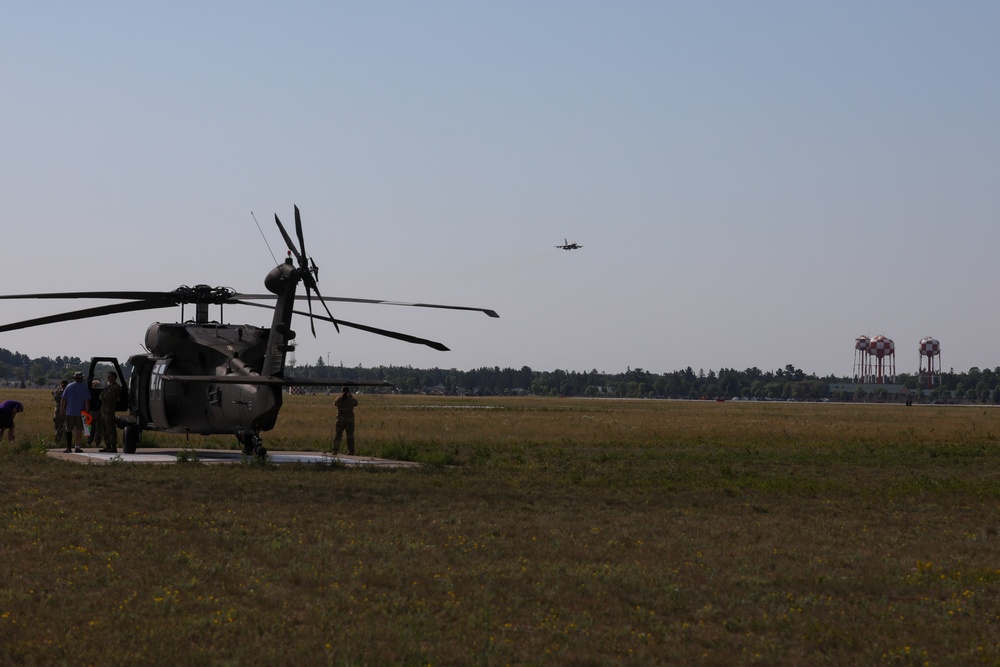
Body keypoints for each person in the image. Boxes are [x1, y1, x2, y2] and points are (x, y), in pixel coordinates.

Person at [60, 371, 91, 453]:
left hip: (69, 412)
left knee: (69, 430)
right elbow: (86, 401)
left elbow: (63, 400)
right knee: (79, 430)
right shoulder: (84, 388)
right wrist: (87, 411)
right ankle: (77, 447)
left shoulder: (69, 387)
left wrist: (62, 410)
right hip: (81, 412)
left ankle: (69, 447)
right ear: (81, 378)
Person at [98, 371, 122, 453]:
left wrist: (104, 396)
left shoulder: (116, 387)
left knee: (110, 429)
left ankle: (113, 446)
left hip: (109, 411)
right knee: (104, 429)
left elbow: (108, 396)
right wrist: (104, 396)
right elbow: (101, 396)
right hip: (104, 411)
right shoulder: (108, 387)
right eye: (108, 377)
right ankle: (107, 445)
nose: (108, 378)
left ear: (114, 377)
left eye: (110, 377)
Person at [332, 386, 359, 455]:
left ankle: (335, 450)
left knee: (338, 435)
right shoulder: (351, 399)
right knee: (350, 435)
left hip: (340, 419)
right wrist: (351, 396)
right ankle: (351, 450)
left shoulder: (338, 399)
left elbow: (335, 403)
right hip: (349, 419)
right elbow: (356, 403)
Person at [53, 379, 69, 446]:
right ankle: (66, 442)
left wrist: (58, 387)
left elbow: (53, 393)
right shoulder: (68, 392)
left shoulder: (57, 392)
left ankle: (57, 441)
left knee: (58, 427)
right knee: (66, 427)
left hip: (58, 411)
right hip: (67, 411)